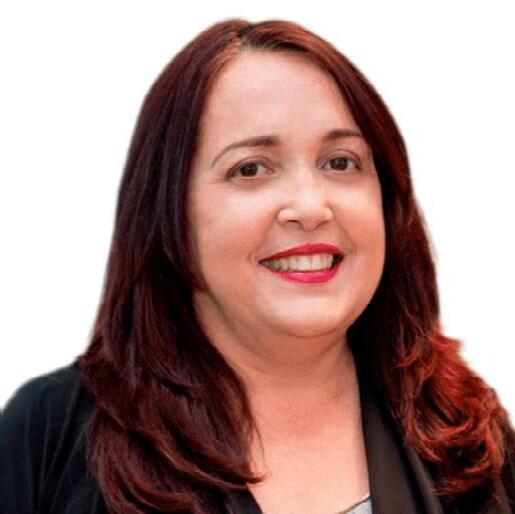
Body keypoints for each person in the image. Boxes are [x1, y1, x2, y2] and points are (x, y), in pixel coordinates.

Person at [1, 17, 514, 514]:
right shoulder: (50, 437)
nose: (310, 207)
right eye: (250, 169)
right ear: (167, 211)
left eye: (341, 162)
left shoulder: (468, 437)